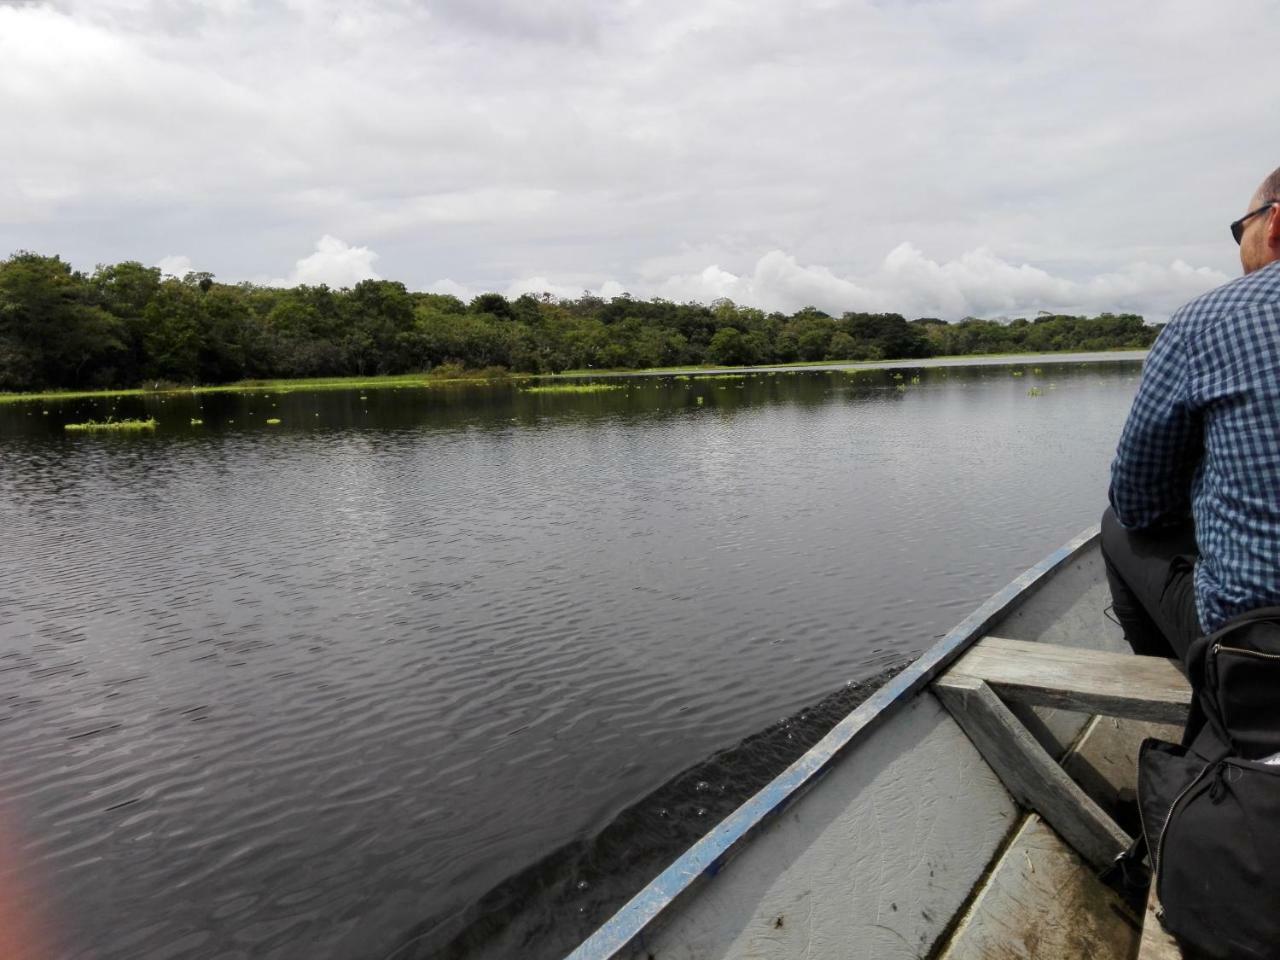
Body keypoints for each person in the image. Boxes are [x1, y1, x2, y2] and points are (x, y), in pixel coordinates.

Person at [1103, 165, 1280, 664]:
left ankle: (1199, 692)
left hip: (1260, 647)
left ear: (1274, 223)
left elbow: (1137, 502)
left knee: (1118, 525)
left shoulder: (1210, 320)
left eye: (1238, 228)